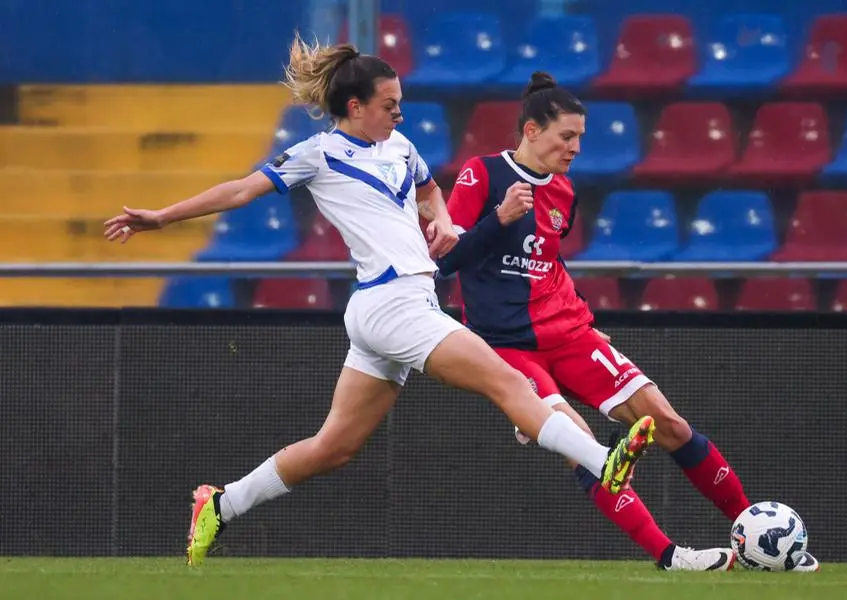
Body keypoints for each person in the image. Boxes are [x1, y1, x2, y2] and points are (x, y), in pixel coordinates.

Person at [103, 41, 657, 568]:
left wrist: (442, 220)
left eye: (401, 104)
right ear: (355, 106)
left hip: (386, 308)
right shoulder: (318, 154)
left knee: (333, 447)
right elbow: (240, 191)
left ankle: (220, 506)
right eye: (389, 105)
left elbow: (429, 192)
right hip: (394, 306)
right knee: (511, 384)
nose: (399, 113)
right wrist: (161, 217)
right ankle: (601, 460)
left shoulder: (401, 148)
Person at [437, 71, 820, 573]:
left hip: (569, 332)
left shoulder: (563, 192)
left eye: (580, 138)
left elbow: (547, 260)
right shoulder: (481, 176)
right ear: (531, 131)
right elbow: (445, 261)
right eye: (566, 136)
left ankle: (754, 532)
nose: (575, 148)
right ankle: (670, 555)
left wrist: (583, 316)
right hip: (507, 347)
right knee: (587, 449)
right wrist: (499, 219)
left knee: (669, 423)